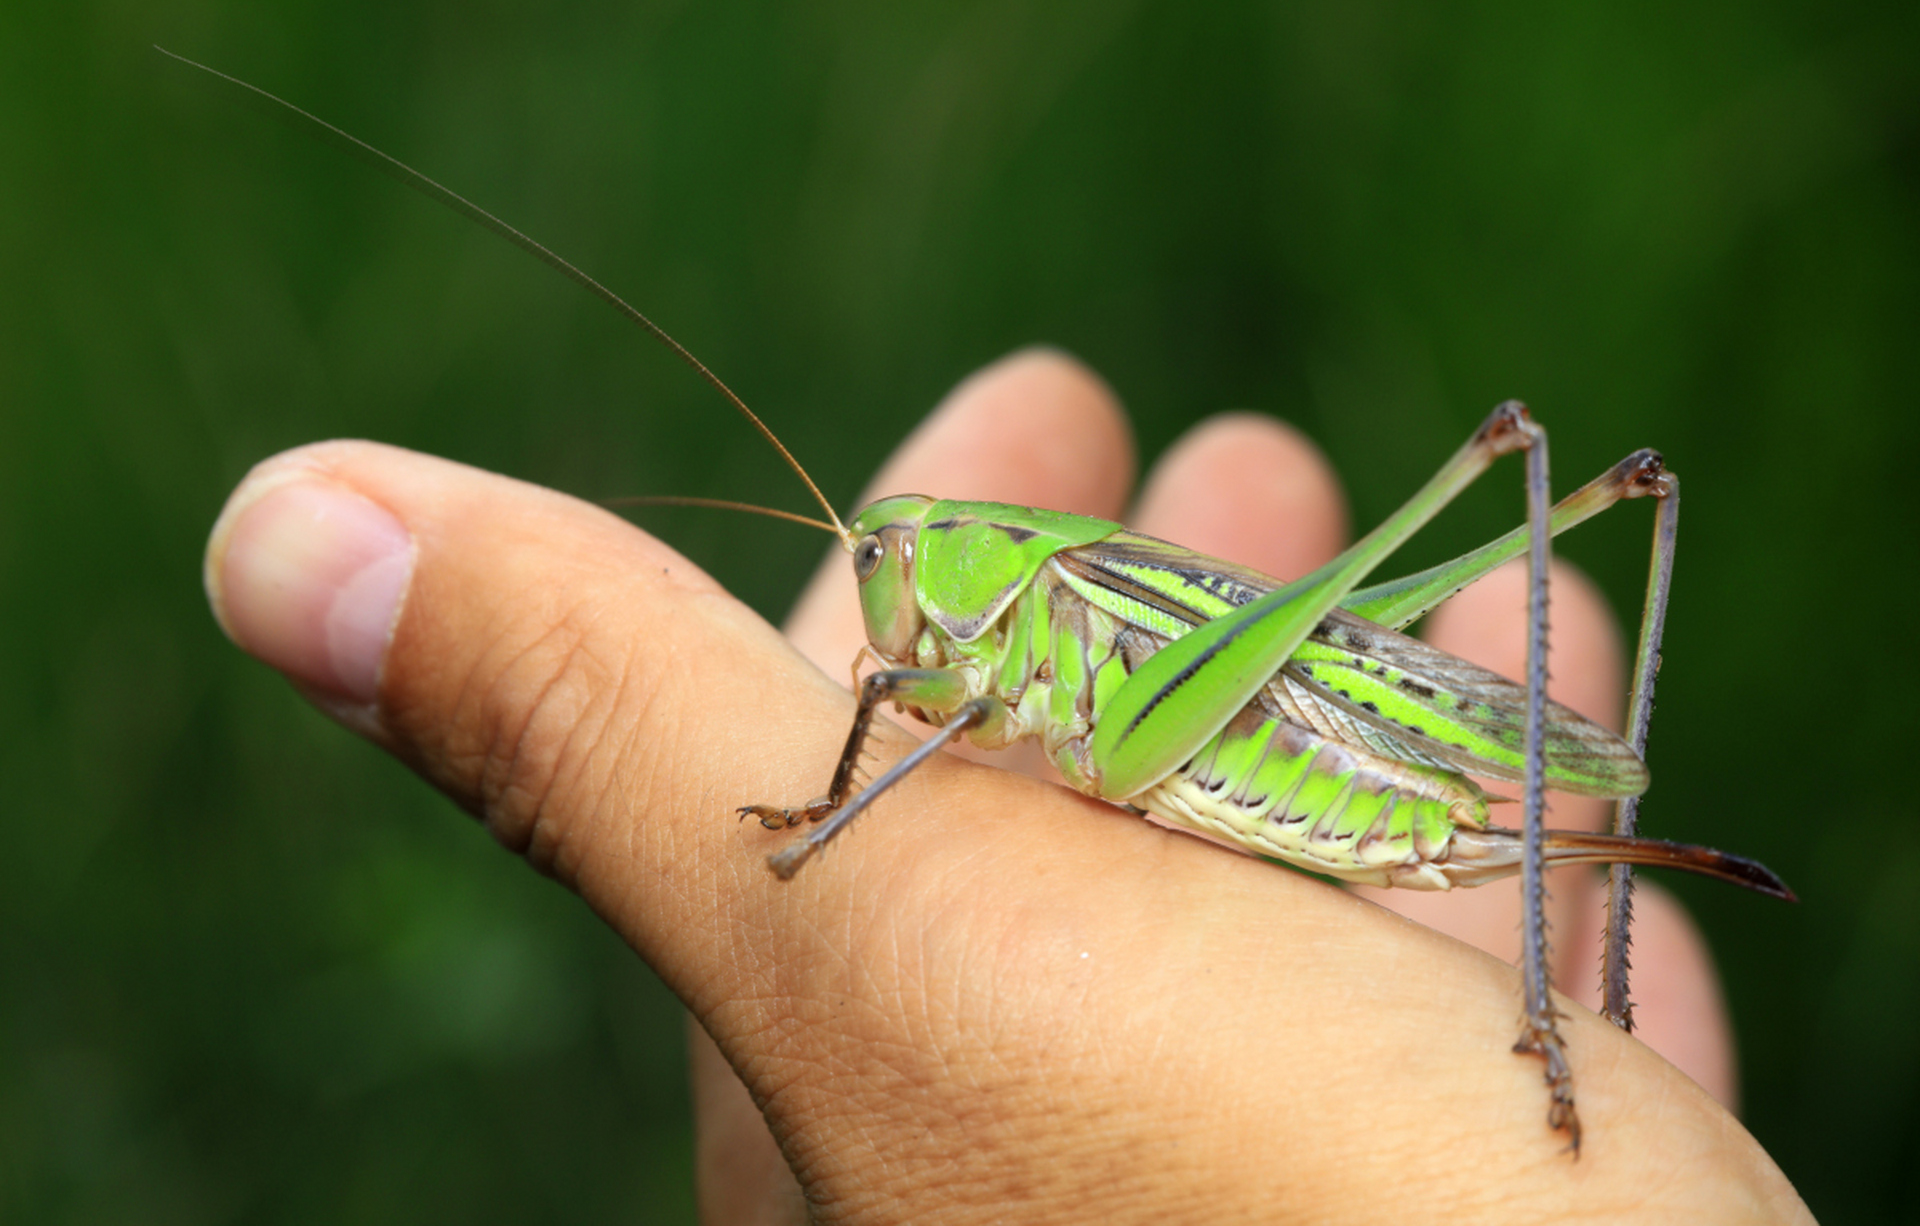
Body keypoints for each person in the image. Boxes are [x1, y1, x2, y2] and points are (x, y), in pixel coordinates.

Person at [204, 350, 1809, 1223]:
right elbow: (902, 693)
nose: (892, 593)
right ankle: (1580, 995)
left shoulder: (1022, 616)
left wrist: (830, 820)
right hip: (1203, 710)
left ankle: (1565, 1010)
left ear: (941, 559)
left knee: (1530, 467)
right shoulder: (953, 660)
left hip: (1243, 726)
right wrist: (830, 805)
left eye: (892, 560)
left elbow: (913, 695)